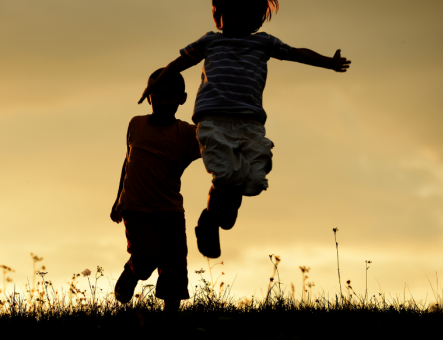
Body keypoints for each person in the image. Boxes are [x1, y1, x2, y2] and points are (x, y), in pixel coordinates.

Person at [138, 0, 351, 259]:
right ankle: (209, 221)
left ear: (256, 21)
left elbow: (296, 53)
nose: (238, 22)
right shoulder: (210, 42)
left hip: (250, 124)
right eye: (232, 16)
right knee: (227, 176)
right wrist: (155, 84)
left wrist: (328, 62)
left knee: (255, 178)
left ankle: (217, 215)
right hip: (214, 120)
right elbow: (178, 64)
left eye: (245, 17)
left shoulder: (263, 43)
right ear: (219, 16)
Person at [110, 68, 202, 313]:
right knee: (147, 256)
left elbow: (217, 144)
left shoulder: (187, 134)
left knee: (174, 265)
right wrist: (118, 198)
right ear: (148, 96)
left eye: (169, 97)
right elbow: (128, 161)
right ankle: (132, 272)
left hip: (170, 211)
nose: (162, 102)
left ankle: (170, 320)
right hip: (136, 207)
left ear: (182, 99)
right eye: (157, 96)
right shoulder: (136, 124)